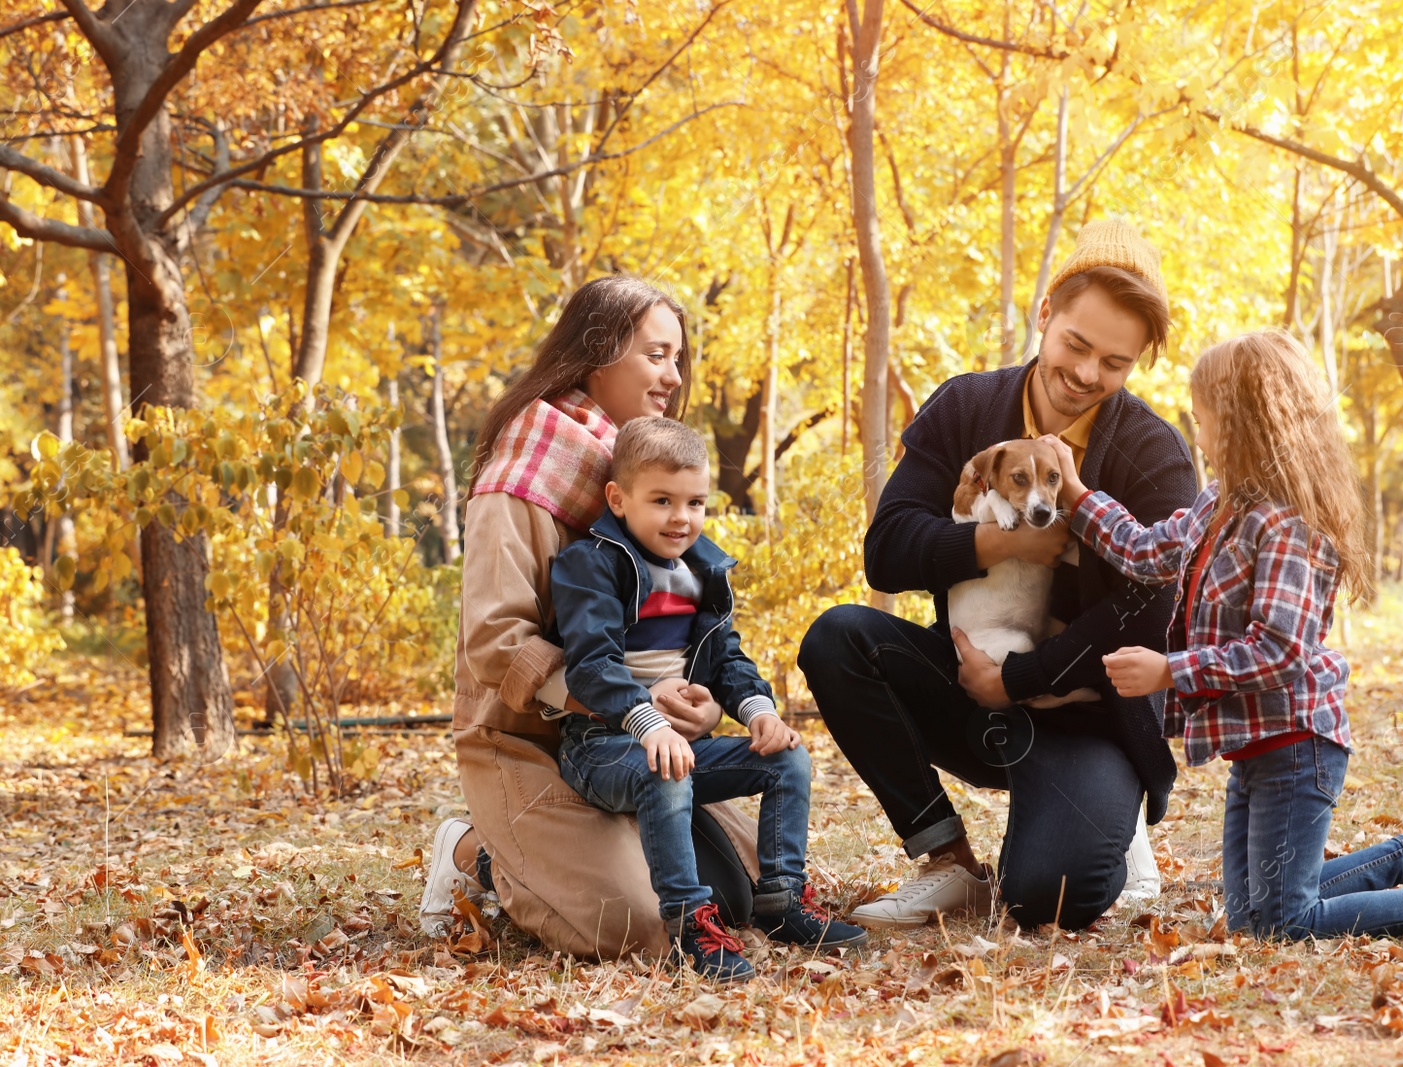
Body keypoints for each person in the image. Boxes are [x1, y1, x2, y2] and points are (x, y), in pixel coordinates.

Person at [1060, 329, 1403, 938]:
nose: (1197, 430)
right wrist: (1075, 494)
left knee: (1280, 923)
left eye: (1204, 417)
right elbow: (1144, 550)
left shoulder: (1289, 524)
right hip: (1258, 748)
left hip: (1297, 745)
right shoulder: (1220, 506)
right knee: (1252, 917)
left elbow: (1281, 649)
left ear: (1242, 424)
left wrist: (1170, 671)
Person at [800, 219, 1199, 930]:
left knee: (1051, 896)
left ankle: (1112, 822)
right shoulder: (965, 406)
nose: (1085, 374)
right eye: (1075, 344)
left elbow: (1148, 611)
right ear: (1044, 314)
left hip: (1085, 714)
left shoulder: (1153, 451)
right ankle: (946, 858)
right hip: (968, 682)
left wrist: (1022, 678)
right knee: (837, 638)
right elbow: (886, 549)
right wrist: (999, 543)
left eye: (1114, 362)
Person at [419, 275, 763, 957]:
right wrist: (629, 702)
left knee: (742, 892)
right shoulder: (525, 467)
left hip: (628, 741)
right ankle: (474, 853)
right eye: (655, 355)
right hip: (525, 740)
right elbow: (494, 639)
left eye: (677, 358)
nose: (673, 375)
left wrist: (693, 705)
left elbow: (675, 630)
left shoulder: (643, 473)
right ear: (597, 352)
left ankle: (592, 843)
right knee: (635, 922)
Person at [551, 418, 866, 982]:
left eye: (695, 502)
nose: (681, 518)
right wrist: (649, 724)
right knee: (665, 769)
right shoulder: (591, 564)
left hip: (674, 740)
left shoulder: (703, 570)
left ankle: (782, 902)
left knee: (787, 758)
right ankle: (690, 925)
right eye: (662, 500)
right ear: (619, 500)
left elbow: (726, 659)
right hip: (601, 743)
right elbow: (591, 667)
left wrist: (759, 711)